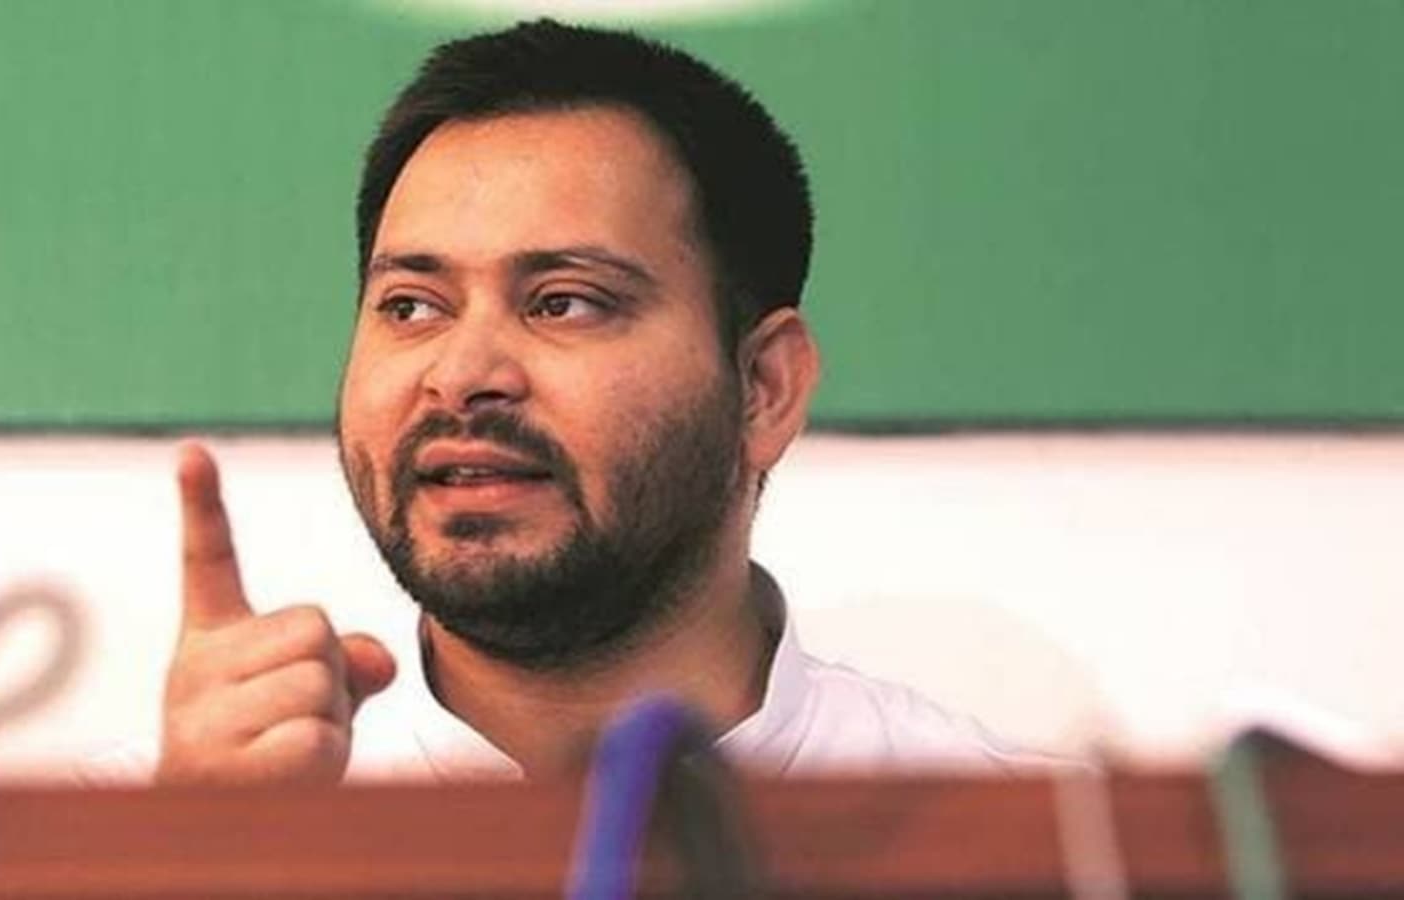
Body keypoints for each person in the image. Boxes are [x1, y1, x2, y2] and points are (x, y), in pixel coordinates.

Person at [132, 19, 1034, 786]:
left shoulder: (1014, 838)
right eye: (412, 307)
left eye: (562, 302)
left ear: (764, 387)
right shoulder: (167, 828)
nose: (461, 374)